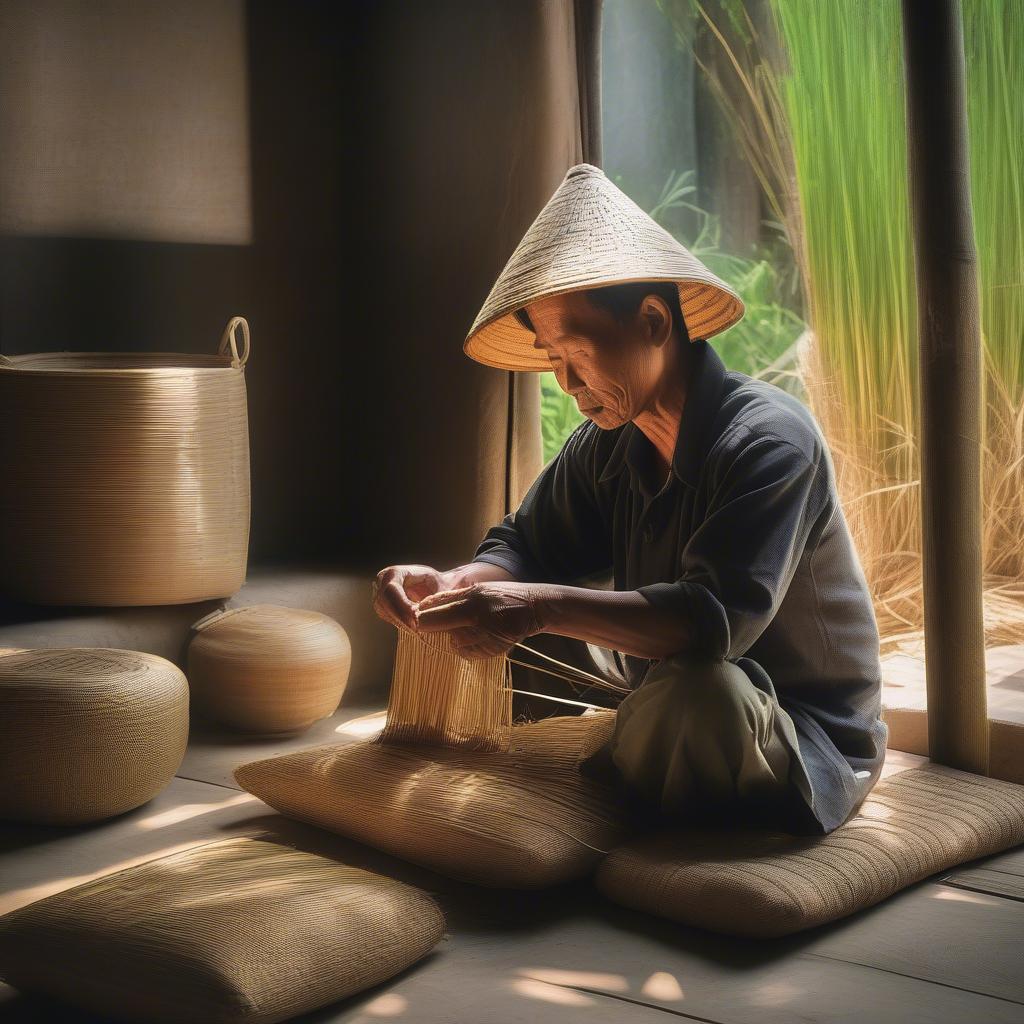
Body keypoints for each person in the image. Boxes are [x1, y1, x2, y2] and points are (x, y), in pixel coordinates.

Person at [372, 163, 887, 836]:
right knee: (478, 629)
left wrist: (536, 607)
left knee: (699, 693)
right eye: (551, 359)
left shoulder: (770, 439)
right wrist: (456, 585)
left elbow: (707, 625)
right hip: (648, 686)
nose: (565, 383)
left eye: (576, 354)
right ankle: (637, 748)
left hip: (787, 725)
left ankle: (638, 754)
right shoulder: (607, 442)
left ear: (650, 322)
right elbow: (527, 544)